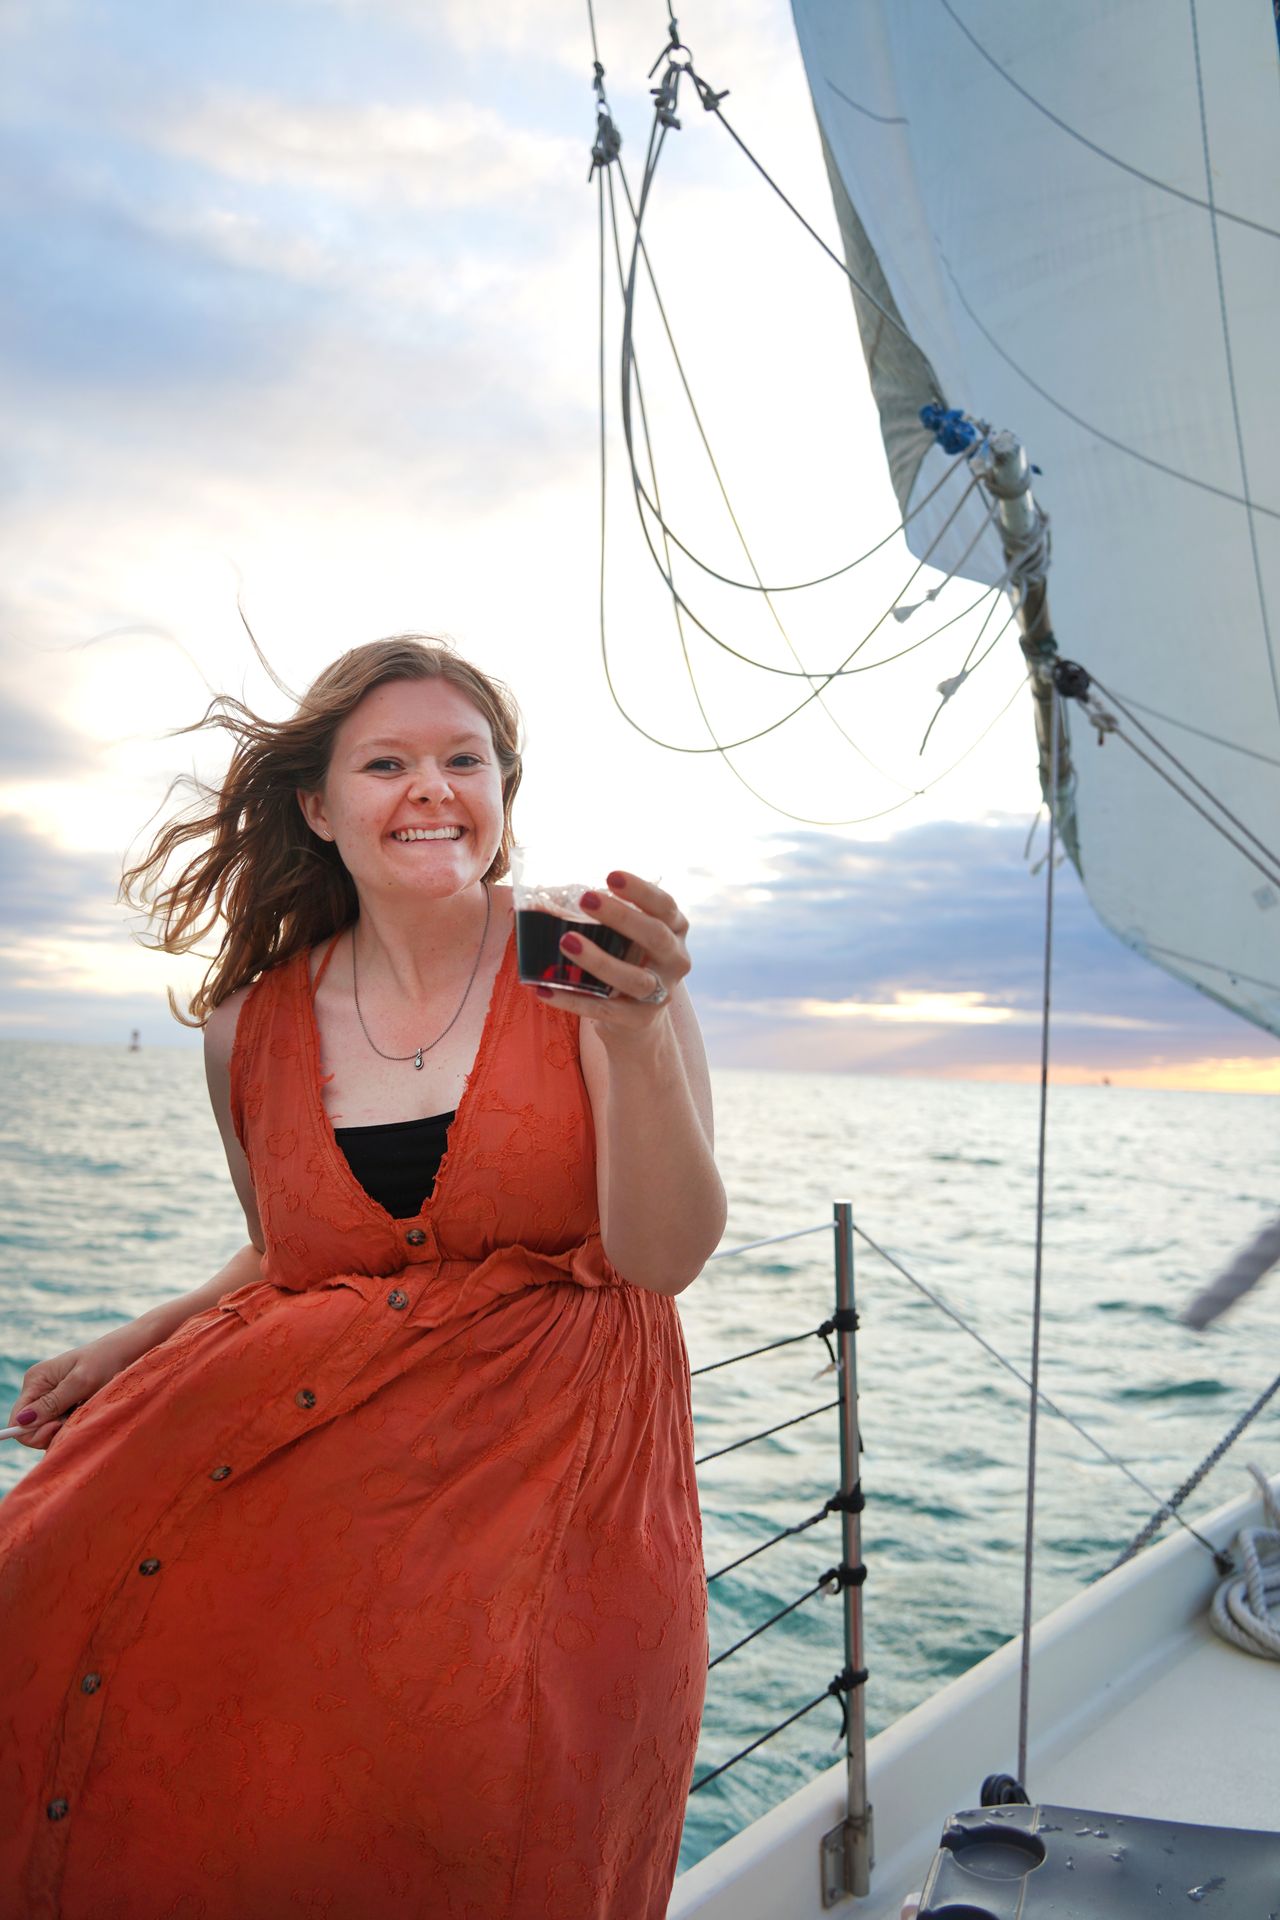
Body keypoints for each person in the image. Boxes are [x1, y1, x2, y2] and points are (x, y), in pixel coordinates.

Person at [0, 636, 726, 1920]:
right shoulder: (248, 1026)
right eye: (386, 763)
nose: (432, 787)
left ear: (503, 794)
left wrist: (638, 1035)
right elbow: (293, 1256)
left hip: (563, 1482)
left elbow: (660, 1259)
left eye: (465, 759)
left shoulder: (591, 957)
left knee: (489, 1809)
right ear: (318, 809)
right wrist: (144, 1337)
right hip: (328, 1468)